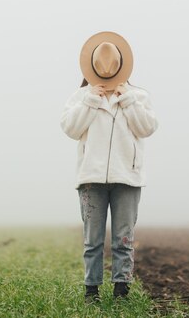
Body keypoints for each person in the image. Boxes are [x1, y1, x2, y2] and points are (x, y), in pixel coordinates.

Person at [60, 31, 159, 303]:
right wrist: (91, 100)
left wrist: (127, 99)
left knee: (123, 240)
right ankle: (91, 292)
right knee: (92, 241)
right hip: (91, 179)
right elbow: (70, 128)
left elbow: (146, 128)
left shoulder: (138, 96)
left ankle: (121, 292)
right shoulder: (80, 96)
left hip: (127, 179)